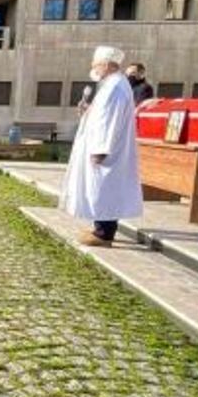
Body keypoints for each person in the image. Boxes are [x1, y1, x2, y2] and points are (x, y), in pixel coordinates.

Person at [60, 46, 143, 247]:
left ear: (106, 65)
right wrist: (88, 110)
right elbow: (101, 115)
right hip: (104, 147)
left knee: (104, 188)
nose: (93, 68)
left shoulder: (115, 87)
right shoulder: (112, 84)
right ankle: (100, 225)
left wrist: (100, 149)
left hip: (105, 150)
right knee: (101, 188)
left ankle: (104, 233)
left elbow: (109, 121)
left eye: (96, 64)